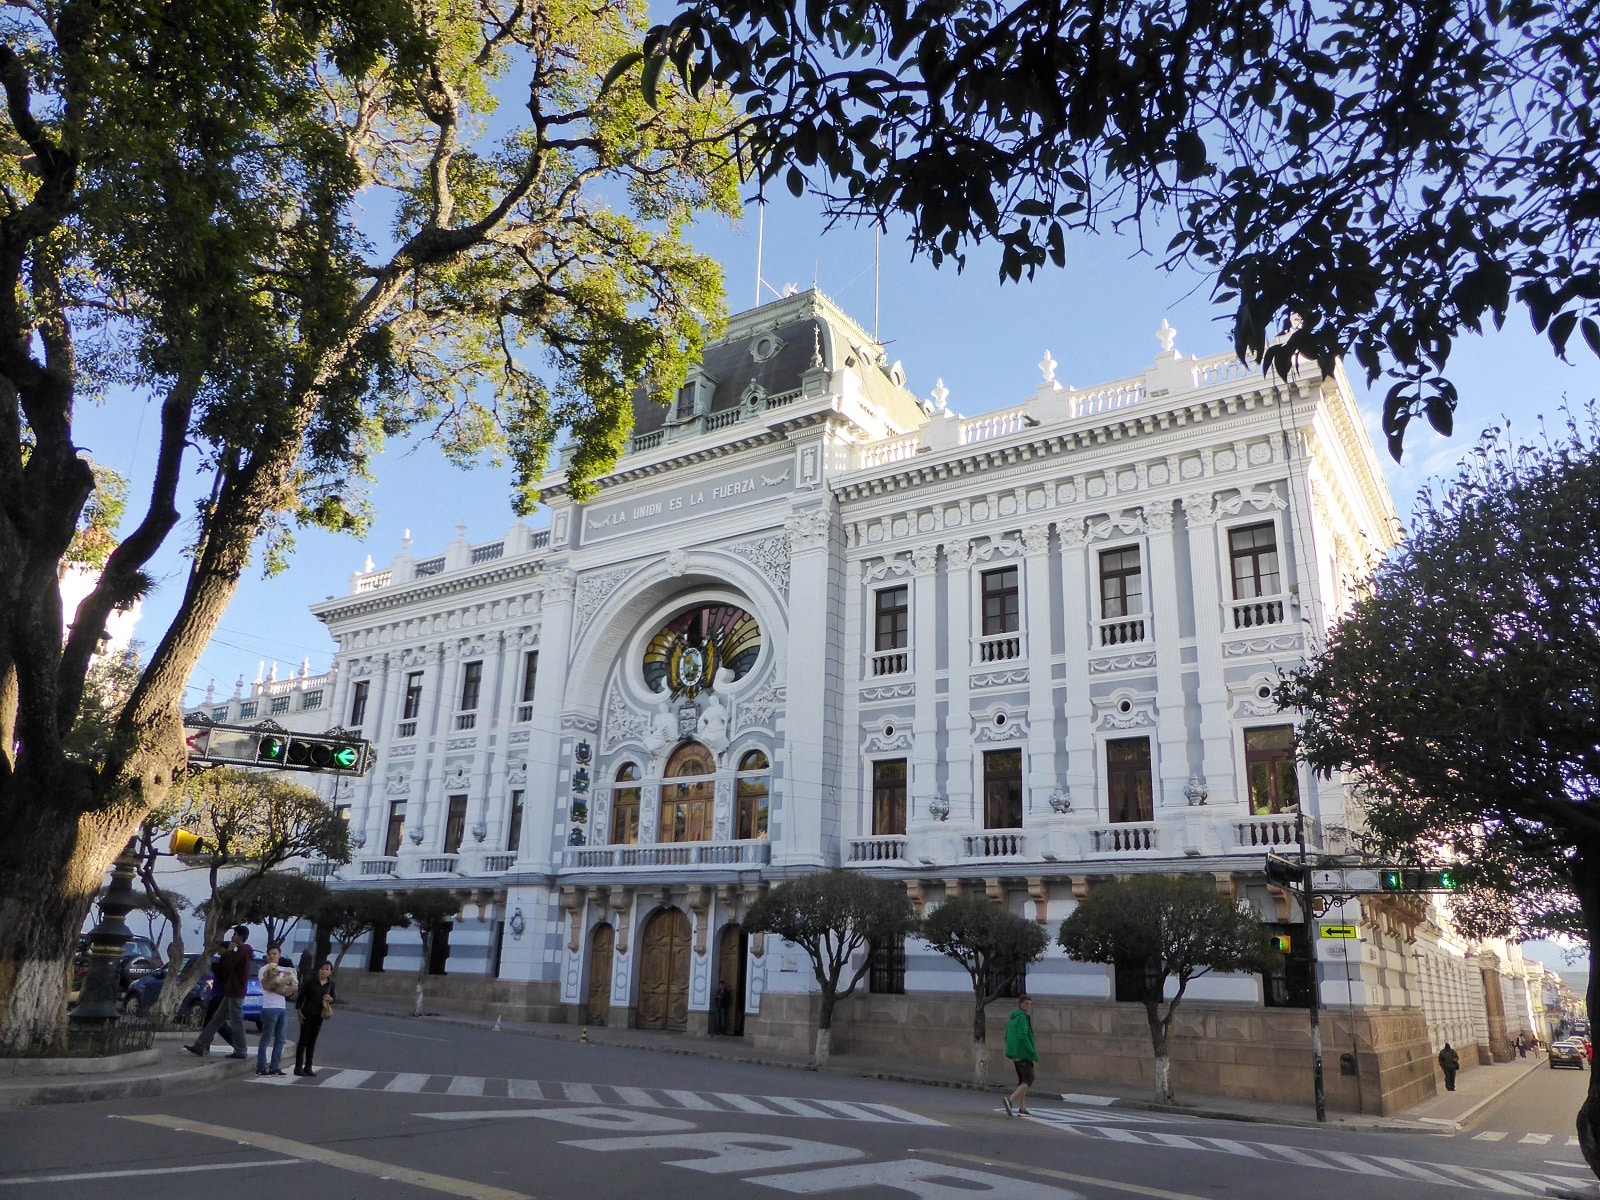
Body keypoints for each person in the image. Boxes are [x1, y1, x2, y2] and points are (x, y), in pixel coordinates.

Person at [187, 926, 254, 1059]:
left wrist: (229, 952)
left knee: (237, 1021)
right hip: (230, 991)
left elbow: (230, 966)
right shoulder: (240, 951)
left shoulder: (244, 951)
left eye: (235, 934)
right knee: (216, 1019)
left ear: (241, 937)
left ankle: (241, 1050)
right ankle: (200, 1045)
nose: (232, 937)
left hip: (235, 991)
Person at [255, 945, 296, 1076]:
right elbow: (266, 985)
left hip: (282, 1007)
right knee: (266, 1038)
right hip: (269, 1007)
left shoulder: (283, 970)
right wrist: (281, 985)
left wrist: (286, 988)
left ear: (279, 955)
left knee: (280, 1039)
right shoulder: (265, 969)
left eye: (274, 953)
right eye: (270, 954)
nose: (272, 956)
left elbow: (294, 986)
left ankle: (275, 1066)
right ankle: (261, 1066)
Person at [295, 960, 335, 1077]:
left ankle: (308, 1066)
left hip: (319, 1015)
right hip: (307, 1013)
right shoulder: (310, 981)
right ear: (319, 970)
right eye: (322, 969)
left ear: (330, 972)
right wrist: (299, 1010)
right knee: (303, 1040)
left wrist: (330, 999)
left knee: (312, 1041)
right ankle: (298, 1067)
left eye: (327, 969)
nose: (324, 971)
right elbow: (301, 996)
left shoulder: (330, 984)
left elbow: (334, 998)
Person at [1003, 995, 1038, 1117]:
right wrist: (1031, 1050)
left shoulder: (1013, 1018)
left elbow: (1006, 1034)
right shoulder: (1022, 1017)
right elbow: (1023, 1036)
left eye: (1030, 1004)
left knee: (1022, 1081)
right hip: (1023, 1054)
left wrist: (1013, 1048)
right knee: (1029, 1079)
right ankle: (1010, 1099)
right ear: (1021, 1004)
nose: (1029, 1006)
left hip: (1015, 1054)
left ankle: (1022, 1107)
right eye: (1026, 1004)